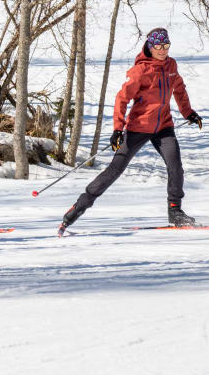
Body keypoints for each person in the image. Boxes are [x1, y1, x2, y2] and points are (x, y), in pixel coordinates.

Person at [58, 27, 202, 235]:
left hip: (164, 127)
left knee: (176, 166)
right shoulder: (140, 71)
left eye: (166, 46)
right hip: (138, 128)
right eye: (159, 46)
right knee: (115, 170)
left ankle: (175, 212)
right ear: (150, 47)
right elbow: (121, 99)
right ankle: (78, 208)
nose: (163, 50)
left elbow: (179, 89)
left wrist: (188, 113)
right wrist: (118, 128)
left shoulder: (171, 65)